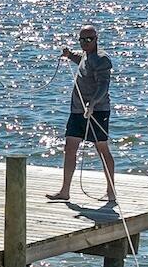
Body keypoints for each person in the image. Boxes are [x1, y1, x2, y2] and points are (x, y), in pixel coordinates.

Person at [49, 25, 116, 205]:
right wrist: (70, 55)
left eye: (89, 39)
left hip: (97, 111)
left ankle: (111, 192)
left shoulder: (102, 59)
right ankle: (65, 191)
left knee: (102, 149)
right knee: (70, 147)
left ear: (96, 39)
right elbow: (83, 62)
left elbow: (103, 85)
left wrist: (93, 103)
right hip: (78, 110)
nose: (86, 43)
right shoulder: (87, 56)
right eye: (82, 40)